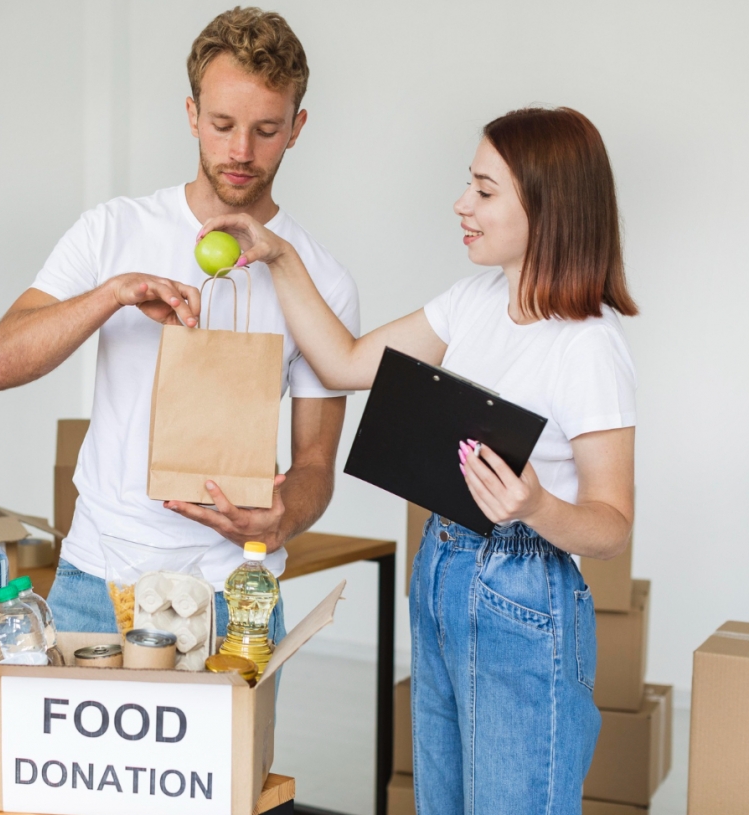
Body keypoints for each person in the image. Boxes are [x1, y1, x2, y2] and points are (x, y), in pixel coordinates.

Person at [201, 107, 636, 815]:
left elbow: (613, 524)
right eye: (468, 185)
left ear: (546, 205)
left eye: (484, 191)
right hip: (441, 567)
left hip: (522, 591)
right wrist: (277, 254)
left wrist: (536, 505)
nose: (462, 205)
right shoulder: (473, 301)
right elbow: (342, 362)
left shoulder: (586, 344)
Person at [0, 7, 359, 643]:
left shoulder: (319, 278)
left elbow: (317, 461)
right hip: (97, 577)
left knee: (231, 751)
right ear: (191, 116)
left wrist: (279, 521)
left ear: (297, 127)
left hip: (235, 593)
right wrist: (112, 294)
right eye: (222, 125)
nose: (241, 151)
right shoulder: (112, 230)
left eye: (266, 129)